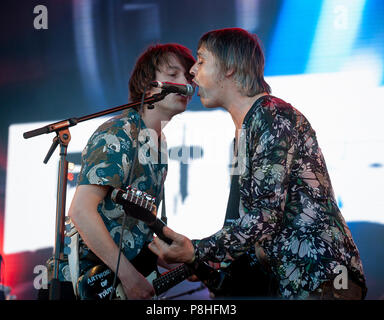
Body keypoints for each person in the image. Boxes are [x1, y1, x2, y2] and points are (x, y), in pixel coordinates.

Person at [148, 28, 367, 300]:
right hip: (295, 286)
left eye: (202, 60)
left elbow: (266, 215)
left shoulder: (271, 115)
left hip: (325, 279)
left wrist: (198, 250)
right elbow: (255, 226)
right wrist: (211, 264)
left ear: (229, 68)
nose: (192, 71)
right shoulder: (246, 129)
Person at [42, 43, 196, 300]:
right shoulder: (119, 132)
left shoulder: (160, 143)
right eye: (173, 75)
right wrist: (128, 276)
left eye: (189, 76)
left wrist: (185, 261)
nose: (185, 82)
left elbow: (137, 231)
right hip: (86, 284)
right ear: (149, 86)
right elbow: (81, 211)